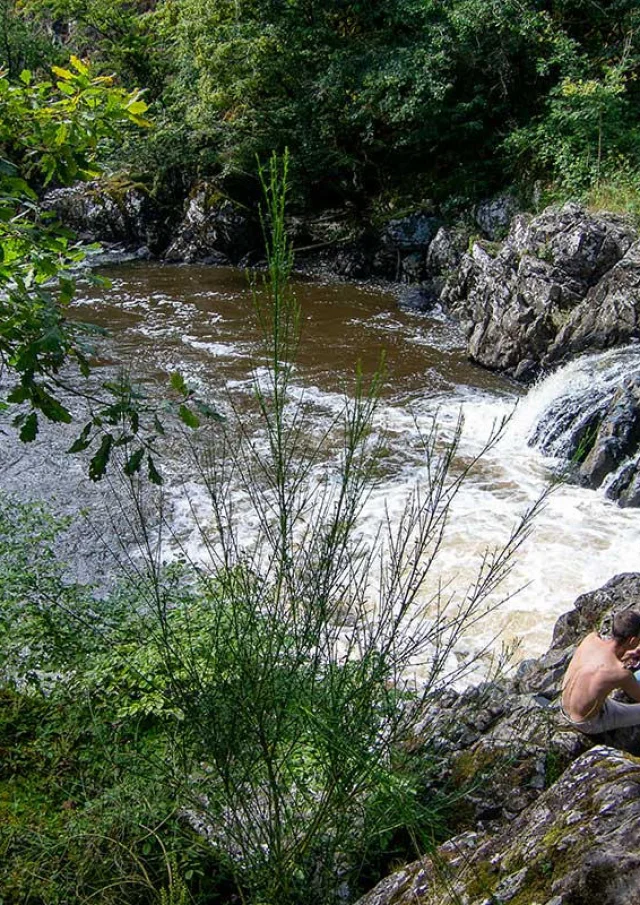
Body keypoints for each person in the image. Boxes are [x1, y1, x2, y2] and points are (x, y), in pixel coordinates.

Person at [561, 610, 640, 735]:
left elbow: (601, 663)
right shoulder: (620, 672)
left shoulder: (591, 639)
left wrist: (627, 655)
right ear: (632, 640)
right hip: (586, 723)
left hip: (565, 708)